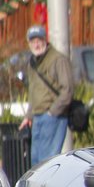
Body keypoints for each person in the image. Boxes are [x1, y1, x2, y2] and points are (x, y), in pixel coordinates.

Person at [18, 25, 74, 165]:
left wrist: (52, 112)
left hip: (53, 117)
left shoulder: (57, 59)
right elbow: (33, 92)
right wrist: (29, 116)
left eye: (39, 40)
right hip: (37, 118)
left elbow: (67, 90)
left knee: (47, 162)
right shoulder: (32, 62)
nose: (36, 44)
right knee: (36, 163)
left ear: (45, 40)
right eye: (33, 41)